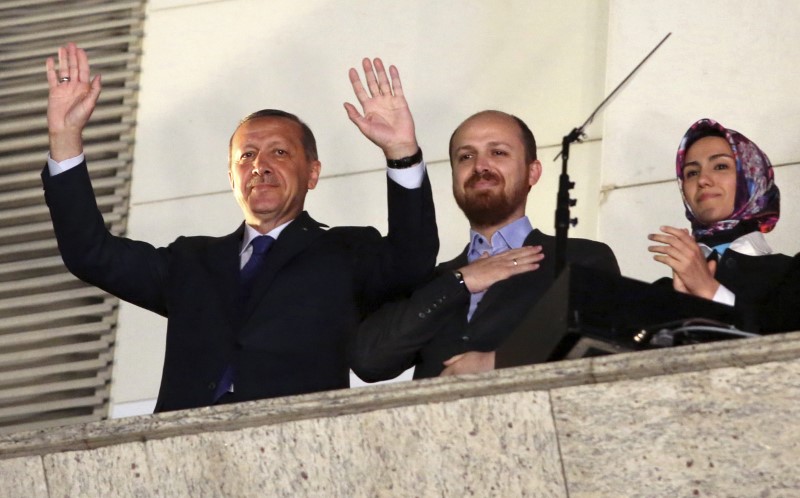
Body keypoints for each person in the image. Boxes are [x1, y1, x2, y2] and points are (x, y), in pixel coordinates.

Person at [42, 43, 438, 412]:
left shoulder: (345, 252)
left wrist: (401, 153)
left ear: (312, 173)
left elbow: (412, 259)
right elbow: (89, 253)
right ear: (232, 178)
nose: (260, 166)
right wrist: (65, 137)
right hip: (184, 450)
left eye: (279, 152)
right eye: (246, 155)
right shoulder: (190, 261)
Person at [350, 110, 619, 381]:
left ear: (532, 172)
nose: (480, 166)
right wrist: (460, 281)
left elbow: (607, 349)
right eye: (466, 157)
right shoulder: (432, 280)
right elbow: (369, 361)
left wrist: (500, 362)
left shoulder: (580, 258)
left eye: (498, 153)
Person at [648, 118, 792, 312]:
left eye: (720, 166)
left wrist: (709, 291)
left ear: (753, 177)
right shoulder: (660, 294)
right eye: (691, 173)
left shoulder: (788, 275)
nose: (703, 180)